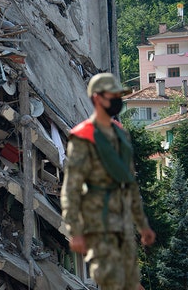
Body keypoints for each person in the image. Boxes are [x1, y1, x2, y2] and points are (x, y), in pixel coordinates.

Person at [61, 72, 155, 290]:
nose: (116, 100)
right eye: (112, 95)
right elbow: (72, 186)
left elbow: (129, 182)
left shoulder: (120, 134)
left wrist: (142, 225)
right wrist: (75, 230)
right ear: (97, 98)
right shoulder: (83, 136)